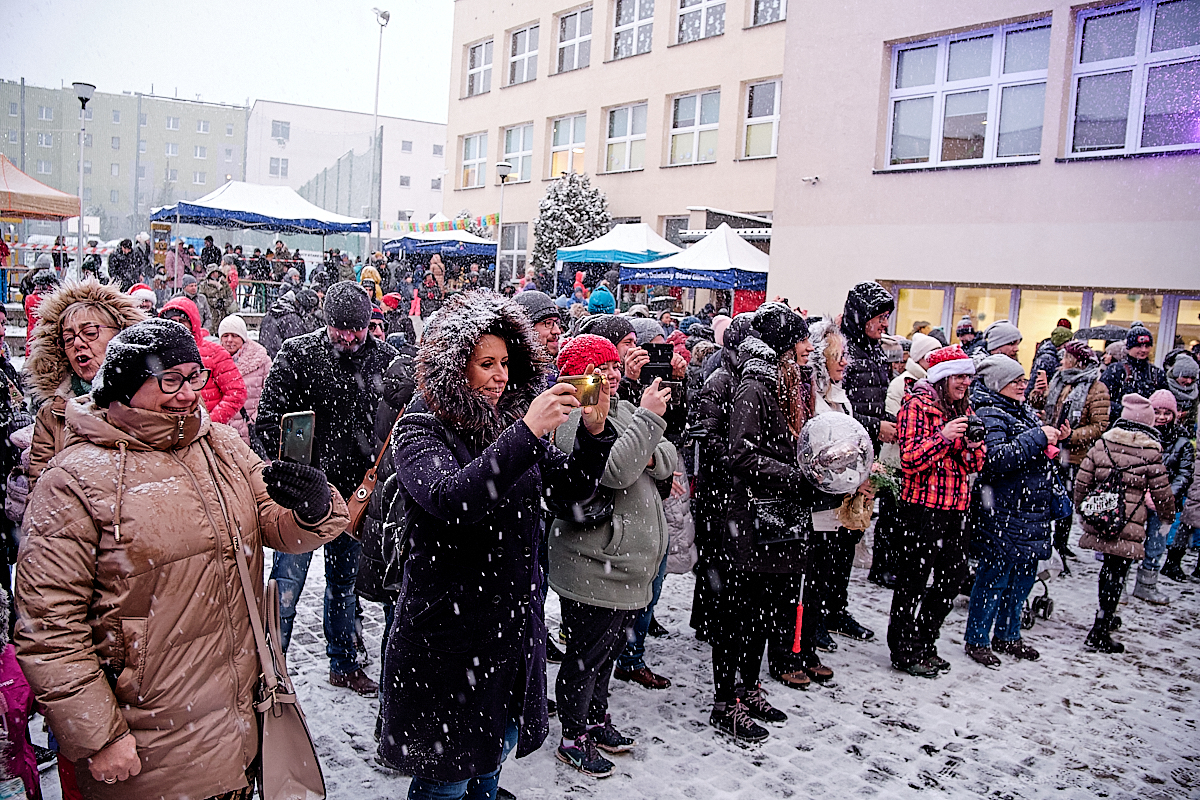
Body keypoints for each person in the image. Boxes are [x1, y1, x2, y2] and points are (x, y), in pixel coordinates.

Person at [15, 317, 349, 799]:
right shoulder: (72, 481)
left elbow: (278, 527)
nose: (189, 394)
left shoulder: (222, 447)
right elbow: (48, 629)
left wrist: (313, 506)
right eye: (170, 380)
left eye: (195, 377)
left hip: (236, 728)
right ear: (126, 388)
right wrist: (99, 736)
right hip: (149, 747)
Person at [378, 290, 615, 796]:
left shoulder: (509, 423)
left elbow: (571, 492)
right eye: (485, 363)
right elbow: (453, 500)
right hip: (447, 637)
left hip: (509, 633)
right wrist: (528, 431)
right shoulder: (420, 426)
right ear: (453, 364)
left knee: (491, 762)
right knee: (446, 778)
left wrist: (595, 434)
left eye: (505, 362)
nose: (500, 375)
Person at [257, 282, 397, 696]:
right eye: (341, 329)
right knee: (285, 584)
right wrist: (284, 471)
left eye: (358, 329)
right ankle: (271, 666)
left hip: (356, 495)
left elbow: (404, 421)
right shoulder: (298, 354)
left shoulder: (384, 360)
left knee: (344, 584)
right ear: (325, 322)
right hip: (302, 495)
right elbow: (267, 421)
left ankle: (343, 662)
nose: (350, 338)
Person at [548, 333, 670, 776]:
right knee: (585, 655)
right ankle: (573, 735)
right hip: (592, 563)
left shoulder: (616, 407)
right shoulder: (570, 413)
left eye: (616, 365)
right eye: (603, 366)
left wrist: (646, 440)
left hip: (620, 564)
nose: (615, 374)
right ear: (580, 372)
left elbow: (667, 458)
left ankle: (595, 721)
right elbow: (616, 471)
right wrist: (649, 425)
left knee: (607, 652)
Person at [711, 303, 821, 742]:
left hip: (778, 517)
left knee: (764, 614)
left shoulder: (784, 382)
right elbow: (742, 454)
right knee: (738, 615)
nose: (808, 347)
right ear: (783, 346)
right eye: (801, 339)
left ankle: (749, 687)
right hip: (751, 519)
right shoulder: (755, 386)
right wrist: (797, 476)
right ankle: (725, 701)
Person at [963, 355, 1067, 668]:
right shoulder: (988, 412)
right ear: (997, 383)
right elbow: (994, 461)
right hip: (1004, 510)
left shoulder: (1019, 409)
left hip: (1029, 511)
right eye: (1015, 380)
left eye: (1023, 379)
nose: (1023, 384)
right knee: (994, 577)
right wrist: (1038, 437)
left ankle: (1009, 634)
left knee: (1022, 578)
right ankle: (978, 638)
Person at [891, 345, 985, 678]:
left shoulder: (965, 409)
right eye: (959, 376)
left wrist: (970, 447)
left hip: (956, 507)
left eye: (968, 376)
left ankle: (925, 640)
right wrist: (944, 438)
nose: (965, 382)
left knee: (953, 578)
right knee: (912, 581)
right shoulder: (917, 405)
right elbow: (910, 460)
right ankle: (902, 649)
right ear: (943, 377)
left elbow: (976, 463)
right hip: (922, 508)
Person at [1074, 394, 1175, 653]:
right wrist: (1167, 517)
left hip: (1104, 516)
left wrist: (1084, 509)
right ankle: (1101, 627)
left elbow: (1082, 481)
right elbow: (1162, 491)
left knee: (1108, 569)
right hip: (1129, 522)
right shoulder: (1150, 451)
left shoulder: (1103, 444)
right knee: (1118, 572)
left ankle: (1104, 614)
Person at [25, 280, 145, 491]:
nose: (78, 344)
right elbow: (40, 492)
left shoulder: (151, 398)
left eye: (90, 333)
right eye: (68, 338)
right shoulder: (53, 414)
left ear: (120, 335)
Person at [806, 318, 876, 651]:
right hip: (819, 495)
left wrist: (864, 472)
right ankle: (813, 623)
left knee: (837, 558)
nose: (846, 362)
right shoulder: (808, 398)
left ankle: (832, 613)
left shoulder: (840, 395)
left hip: (844, 494)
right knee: (818, 562)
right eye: (838, 356)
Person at [688, 313, 756, 640]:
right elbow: (708, 434)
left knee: (724, 556)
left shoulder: (745, 379)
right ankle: (707, 621)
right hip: (718, 485)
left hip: (730, 485)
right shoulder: (721, 379)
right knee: (714, 554)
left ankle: (715, 619)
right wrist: (736, 460)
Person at [874, 332, 940, 587]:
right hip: (897, 461)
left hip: (912, 460)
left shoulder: (928, 382)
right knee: (891, 517)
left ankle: (894, 565)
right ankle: (883, 567)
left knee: (902, 519)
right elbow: (896, 420)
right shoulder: (904, 383)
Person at [1034, 340, 1110, 563]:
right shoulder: (1059, 379)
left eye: (1066, 357)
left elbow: (1099, 426)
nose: (1062, 361)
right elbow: (1043, 407)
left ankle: (1060, 545)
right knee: (1043, 496)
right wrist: (1039, 394)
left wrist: (1070, 436)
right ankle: (1043, 542)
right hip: (1049, 449)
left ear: (1076, 361)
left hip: (1075, 455)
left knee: (1065, 500)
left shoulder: (1097, 388)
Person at [1130, 390, 1193, 604]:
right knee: (1130, 540)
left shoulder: (1182, 442)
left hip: (1164, 502)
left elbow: (1184, 474)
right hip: (1138, 497)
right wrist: (1143, 490)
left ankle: (1147, 584)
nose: (1162, 417)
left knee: (1156, 543)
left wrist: (1163, 495)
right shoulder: (1140, 435)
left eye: (1167, 413)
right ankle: (1118, 584)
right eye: (1157, 412)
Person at [159, 298, 247, 425]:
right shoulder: (155, 354)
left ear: (192, 323)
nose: (177, 326)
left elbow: (237, 392)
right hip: (165, 429)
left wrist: (208, 422)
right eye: (172, 321)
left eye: (182, 321)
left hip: (203, 430)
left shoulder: (215, 353)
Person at [218, 314, 271, 449]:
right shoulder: (213, 362)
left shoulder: (261, 361)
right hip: (222, 431)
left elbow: (270, 393)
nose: (229, 340)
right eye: (225, 336)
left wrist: (255, 419)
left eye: (234, 336)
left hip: (250, 430)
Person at [1101, 326, 1167, 421]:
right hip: (1119, 425)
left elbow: (1164, 403)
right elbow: (1102, 400)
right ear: (1129, 347)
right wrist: (1127, 411)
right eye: (1139, 346)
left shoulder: (1157, 374)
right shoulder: (1116, 370)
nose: (1143, 350)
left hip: (1149, 427)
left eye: (1147, 346)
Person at [514, 290, 563, 379]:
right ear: (526, 330)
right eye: (548, 323)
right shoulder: (516, 378)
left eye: (557, 323)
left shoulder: (563, 367)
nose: (557, 331)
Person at [258, 290, 310, 360]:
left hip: (265, 358)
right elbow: (296, 347)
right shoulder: (293, 319)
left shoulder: (271, 312)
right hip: (281, 361)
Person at [23, 263, 60, 357]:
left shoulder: (29, 299)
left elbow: (28, 315)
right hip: (49, 341)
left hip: (32, 338)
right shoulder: (54, 300)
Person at [200, 264, 237, 332]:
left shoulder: (224, 284)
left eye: (216, 272)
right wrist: (214, 302)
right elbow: (202, 298)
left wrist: (224, 303)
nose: (215, 274)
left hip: (223, 313)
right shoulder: (204, 285)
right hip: (210, 314)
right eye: (213, 273)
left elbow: (230, 296)